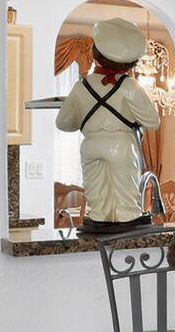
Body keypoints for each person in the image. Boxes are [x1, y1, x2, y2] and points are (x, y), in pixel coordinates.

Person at [56, 18, 160, 230]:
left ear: (96, 52)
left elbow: (64, 123)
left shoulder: (81, 85)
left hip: (90, 145)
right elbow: (152, 121)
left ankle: (100, 218)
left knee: (96, 196)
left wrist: (84, 112)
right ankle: (126, 219)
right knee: (126, 199)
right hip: (121, 145)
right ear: (130, 62)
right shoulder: (130, 86)